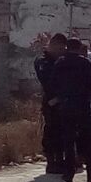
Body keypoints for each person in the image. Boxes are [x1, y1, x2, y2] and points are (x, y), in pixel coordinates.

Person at [49, 38, 91, 182]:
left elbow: (52, 83)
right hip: (82, 104)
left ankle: (68, 172)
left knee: (68, 139)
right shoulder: (84, 62)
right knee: (87, 139)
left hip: (66, 105)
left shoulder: (60, 62)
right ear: (79, 48)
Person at [35, 33, 67, 174]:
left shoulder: (61, 60)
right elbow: (47, 81)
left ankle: (60, 160)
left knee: (62, 132)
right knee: (51, 131)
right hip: (51, 101)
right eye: (59, 48)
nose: (61, 51)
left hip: (63, 100)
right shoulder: (43, 61)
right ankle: (51, 161)